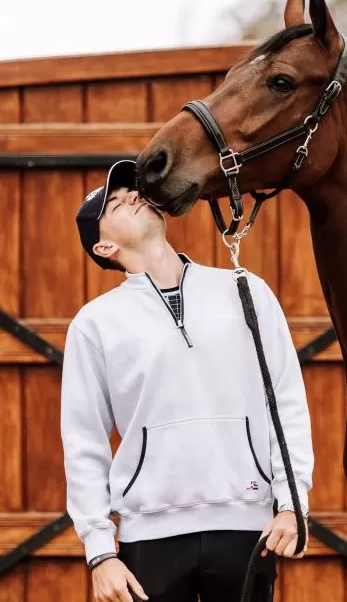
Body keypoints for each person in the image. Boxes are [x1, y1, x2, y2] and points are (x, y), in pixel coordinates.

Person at [60, 159, 314, 602]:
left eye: (134, 192)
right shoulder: (94, 325)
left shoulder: (245, 291)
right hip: (150, 537)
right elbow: (84, 444)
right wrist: (100, 553)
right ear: (103, 248)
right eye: (117, 203)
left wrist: (293, 504)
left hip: (246, 526)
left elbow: (286, 403)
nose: (134, 197)